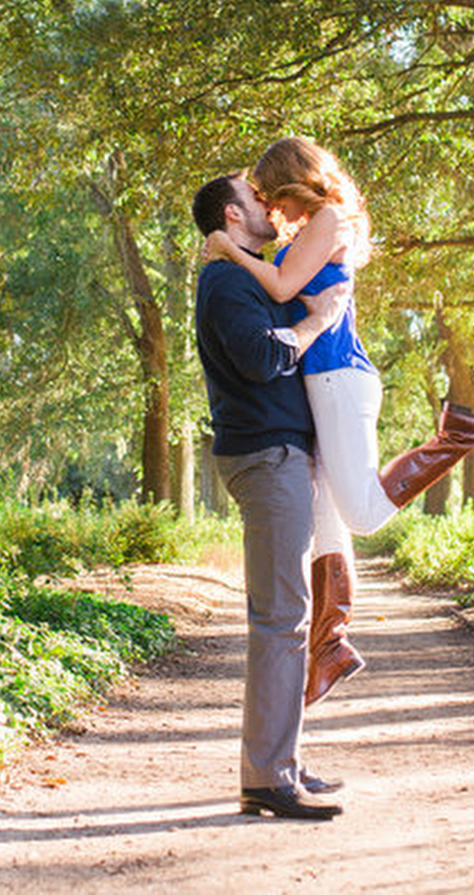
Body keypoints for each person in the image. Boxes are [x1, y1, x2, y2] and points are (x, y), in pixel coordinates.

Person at [204, 137, 474, 707]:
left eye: (273, 193)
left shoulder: (328, 219)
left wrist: (227, 248)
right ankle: (330, 646)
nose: (272, 207)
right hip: (317, 384)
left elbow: (278, 287)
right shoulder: (309, 231)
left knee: (364, 513)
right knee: (329, 521)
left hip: (338, 379)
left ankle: (456, 436)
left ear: (295, 182)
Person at [192, 171, 352, 821]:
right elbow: (262, 359)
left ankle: (278, 761)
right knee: (281, 619)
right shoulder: (226, 282)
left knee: (290, 614)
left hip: (280, 453)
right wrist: (316, 322)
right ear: (233, 214)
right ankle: (267, 776)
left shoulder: (245, 273)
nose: (267, 201)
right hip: (265, 455)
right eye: (255, 197)